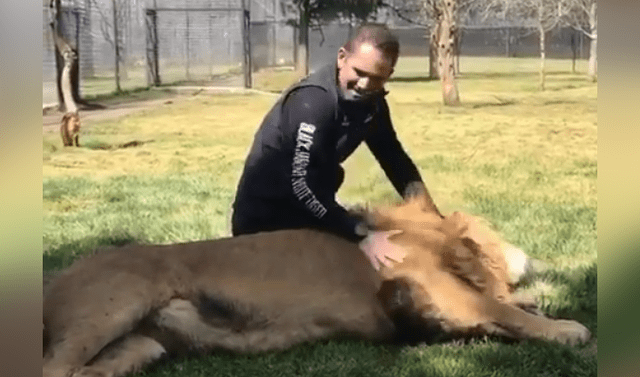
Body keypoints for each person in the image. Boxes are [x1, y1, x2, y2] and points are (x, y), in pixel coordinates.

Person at [231, 23, 441, 269]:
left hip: (309, 211)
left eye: (377, 78)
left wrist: (434, 220)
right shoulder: (314, 102)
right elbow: (300, 185)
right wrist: (357, 232)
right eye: (359, 72)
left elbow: (395, 160)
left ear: (389, 74)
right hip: (267, 219)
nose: (364, 84)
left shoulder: (372, 104)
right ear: (342, 58)